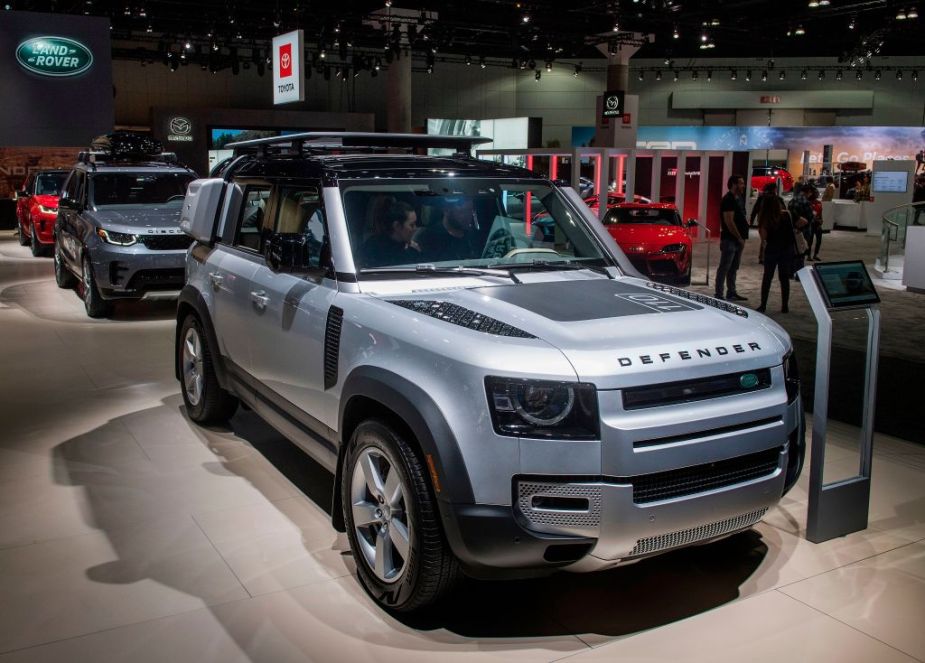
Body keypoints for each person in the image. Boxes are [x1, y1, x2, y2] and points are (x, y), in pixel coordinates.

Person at [756, 196, 797, 314]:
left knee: (767, 277)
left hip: (772, 249)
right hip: (786, 249)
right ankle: (785, 306)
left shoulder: (765, 218)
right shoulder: (787, 214)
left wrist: (763, 249)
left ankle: (763, 305)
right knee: (784, 278)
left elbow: (763, 238)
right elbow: (803, 221)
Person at [714, 174, 749, 301]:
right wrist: (739, 237)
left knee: (734, 267)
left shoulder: (738, 198)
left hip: (739, 239)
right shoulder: (728, 200)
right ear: (734, 184)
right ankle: (719, 294)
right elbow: (729, 221)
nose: (743, 185)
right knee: (724, 267)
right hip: (730, 239)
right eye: (741, 183)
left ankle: (731, 291)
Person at [416, 196, 480, 263]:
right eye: (463, 211)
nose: (468, 216)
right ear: (446, 210)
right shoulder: (428, 237)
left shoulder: (474, 237)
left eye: (470, 211)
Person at [359, 200, 422, 267]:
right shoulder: (373, 248)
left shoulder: (412, 249)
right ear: (397, 226)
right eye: (412, 225)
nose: (415, 229)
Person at [787, 184, 814, 276]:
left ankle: (790, 272)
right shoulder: (806, 202)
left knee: (792, 251)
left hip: (792, 229)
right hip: (804, 229)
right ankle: (800, 274)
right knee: (801, 252)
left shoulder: (792, 200)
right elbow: (810, 217)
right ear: (808, 192)